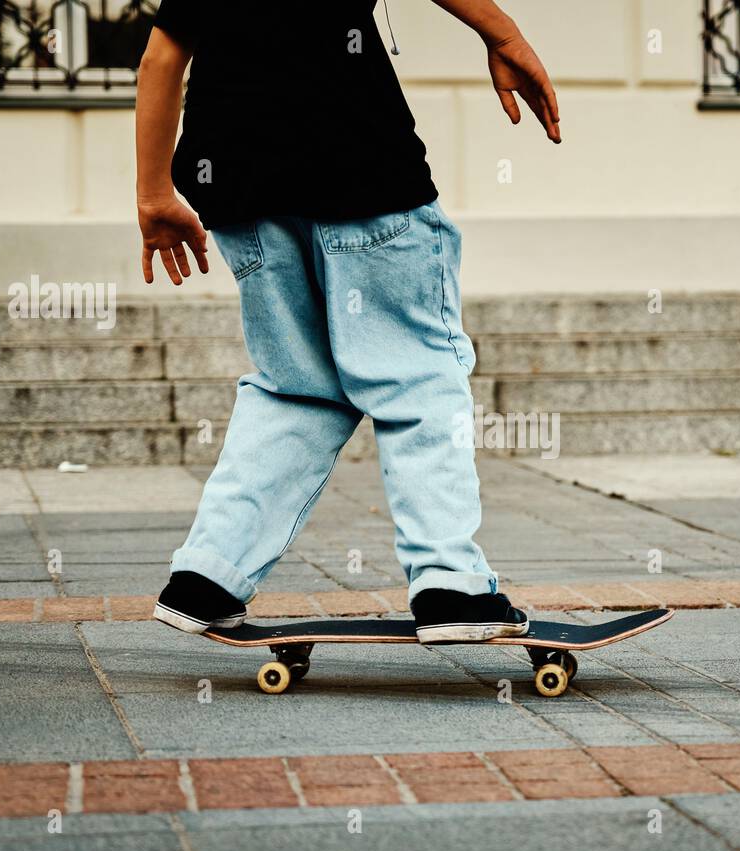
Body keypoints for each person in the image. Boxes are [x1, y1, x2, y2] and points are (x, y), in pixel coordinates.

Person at [135, 1, 561, 643]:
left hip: (236, 180)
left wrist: (153, 193)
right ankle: (450, 587)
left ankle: (208, 575)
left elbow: (162, 55)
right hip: (358, 164)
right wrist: (501, 32)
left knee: (295, 387)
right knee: (417, 378)